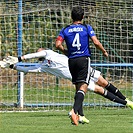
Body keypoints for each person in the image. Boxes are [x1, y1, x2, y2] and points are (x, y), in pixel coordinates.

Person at [1, 48, 133, 124]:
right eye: (38, 50)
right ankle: (124, 103)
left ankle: (126, 100)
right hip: (77, 76)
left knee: (103, 82)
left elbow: (34, 56)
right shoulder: (43, 66)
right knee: (99, 89)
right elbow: (27, 69)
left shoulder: (48, 52)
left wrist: (18, 59)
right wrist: (14, 65)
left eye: (39, 49)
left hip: (83, 68)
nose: (39, 50)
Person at [55, 6, 133, 125]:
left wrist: (66, 51)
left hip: (71, 60)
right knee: (84, 87)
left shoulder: (65, 29)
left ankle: (80, 116)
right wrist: (104, 51)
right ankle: (74, 111)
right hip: (83, 59)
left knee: (78, 87)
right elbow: (96, 42)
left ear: (71, 17)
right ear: (82, 17)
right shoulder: (86, 27)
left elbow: (57, 44)